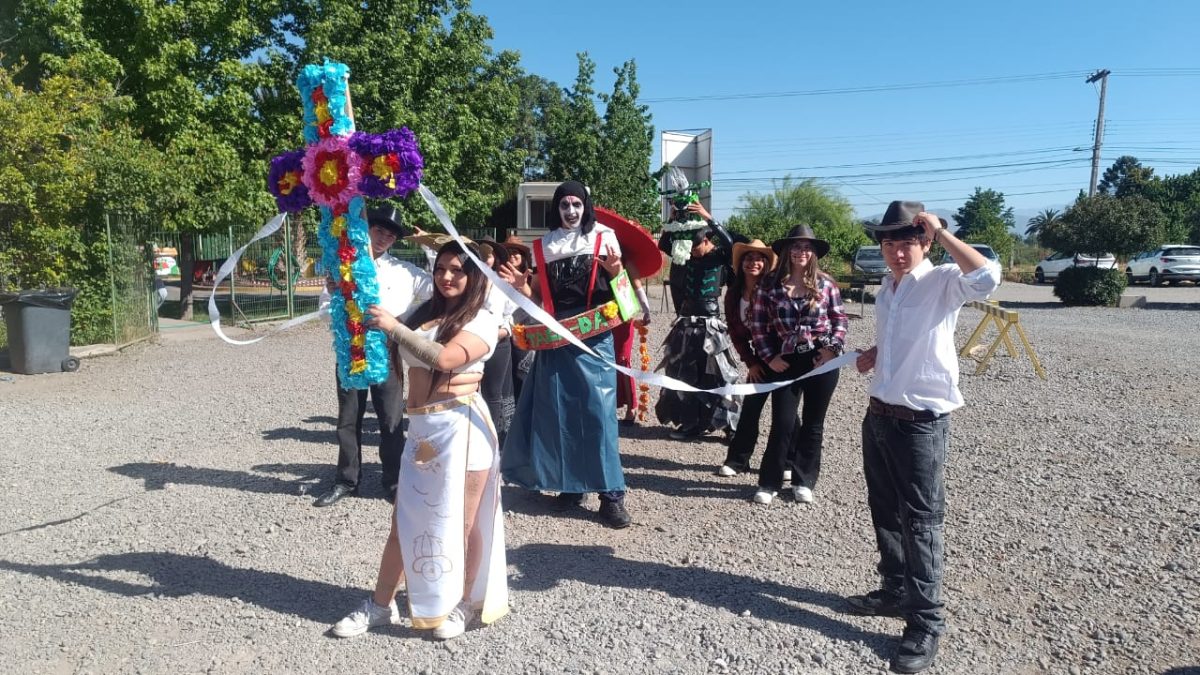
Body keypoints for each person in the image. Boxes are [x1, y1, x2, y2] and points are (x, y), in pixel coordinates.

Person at [847, 201, 1000, 674]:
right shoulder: (888, 288)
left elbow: (989, 277)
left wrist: (942, 230)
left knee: (921, 522)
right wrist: (878, 352)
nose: (897, 252)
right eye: (889, 243)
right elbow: (905, 337)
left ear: (925, 243)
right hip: (879, 415)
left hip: (920, 424)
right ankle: (895, 590)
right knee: (885, 510)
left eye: (908, 242)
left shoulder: (943, 281)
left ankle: (926, 621)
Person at [332, 241, 508, 641]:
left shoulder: (483, 318)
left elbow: (445, 359)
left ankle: (464, 603)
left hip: (462, 427)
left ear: (474, 275)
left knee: (463, 523)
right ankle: (381, 604)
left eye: (457, 270)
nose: (446, 276)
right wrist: (347, 295)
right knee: (404, 521)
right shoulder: (425, 314)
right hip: (422, 429)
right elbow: (385, 334)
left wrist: (395, 327)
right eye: (441, 268)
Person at [497, 180, 632, 529]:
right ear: (556, 208)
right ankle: (570, 485)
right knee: (558, 413)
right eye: (564, 205)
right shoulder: (543, 246)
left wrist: (617, 271)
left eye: (576, 204)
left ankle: (611, 495)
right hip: (556, 340)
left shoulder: (604, 238)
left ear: (586, 206)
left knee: (599, 415)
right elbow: (540, 299)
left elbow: (626, 301)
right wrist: (522, 288)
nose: (570, 211)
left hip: (594, 339)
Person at [314, 205, 432, 507]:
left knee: (391, 418)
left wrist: (403, 321)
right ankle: (346, 480)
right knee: (348, 418)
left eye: (390, 235)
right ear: (367, 230)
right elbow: (323, 310)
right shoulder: (344, 265)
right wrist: (340, 304)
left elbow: (435, 291)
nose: (383, 238)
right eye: (379, 231)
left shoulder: (405, 271)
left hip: (386, 348)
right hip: (351, 346)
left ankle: (394, 481)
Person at [747, 225, 847, 506]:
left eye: (806, 247)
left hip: (820, 359)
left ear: (813, 253)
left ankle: (804, 480)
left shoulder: (826, 284)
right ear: (787, 252)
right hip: (785, 360)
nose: (801, 252)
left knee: (814, 424)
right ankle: (769, 482)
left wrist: (831, 350)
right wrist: (769, 357)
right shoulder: (769, 285)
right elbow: (758, 325)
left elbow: (839, 320)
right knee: (783, 423)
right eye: (796, 247)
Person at [655, 203, 741, 439]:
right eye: (689, 248)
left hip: (711, 322)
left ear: (706, 241)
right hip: (686, 321)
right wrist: (672, 220)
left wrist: (707, 217)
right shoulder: (686, 255)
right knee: (686, 373)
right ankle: (692, 424)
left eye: (695, 247)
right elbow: (664, 244)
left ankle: (731, 427)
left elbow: (731, 243)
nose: (692, 252)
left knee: (721, 373)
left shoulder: (720, 256)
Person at [717, 239, 778, 475]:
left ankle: (788, 462)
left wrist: (773, 358)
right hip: (757, 360)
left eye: (759, 259)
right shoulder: (733, 295)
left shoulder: (774, 290)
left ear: (766, 264)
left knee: (785, 412)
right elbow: (735, 332)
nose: (753, 263)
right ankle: (737, 460)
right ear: (741, 264)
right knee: (750, 409)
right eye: (748, 258)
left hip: (780, 356)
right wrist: (751, 362)